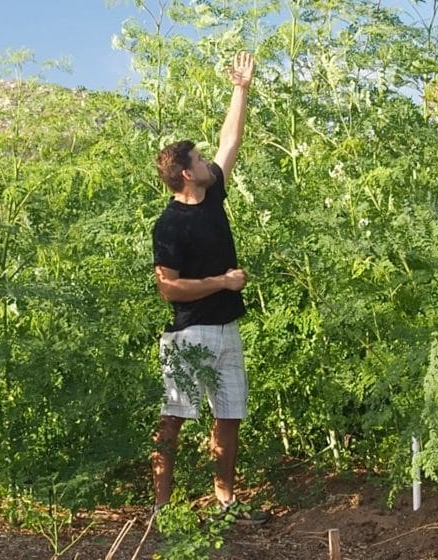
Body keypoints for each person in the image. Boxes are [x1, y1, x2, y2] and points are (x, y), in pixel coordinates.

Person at [150, 51, 268, 525]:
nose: (206, 161)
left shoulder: (212, 191)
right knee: (173, 418)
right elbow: (168, 290)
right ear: (184, 173)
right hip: (188, 335)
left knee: (230, 416)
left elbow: (230, 141)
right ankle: (161, 509)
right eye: (197, 159)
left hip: (226, 330)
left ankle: (225, 504)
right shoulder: (170, 225)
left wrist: (240, 87)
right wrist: (223, 281)